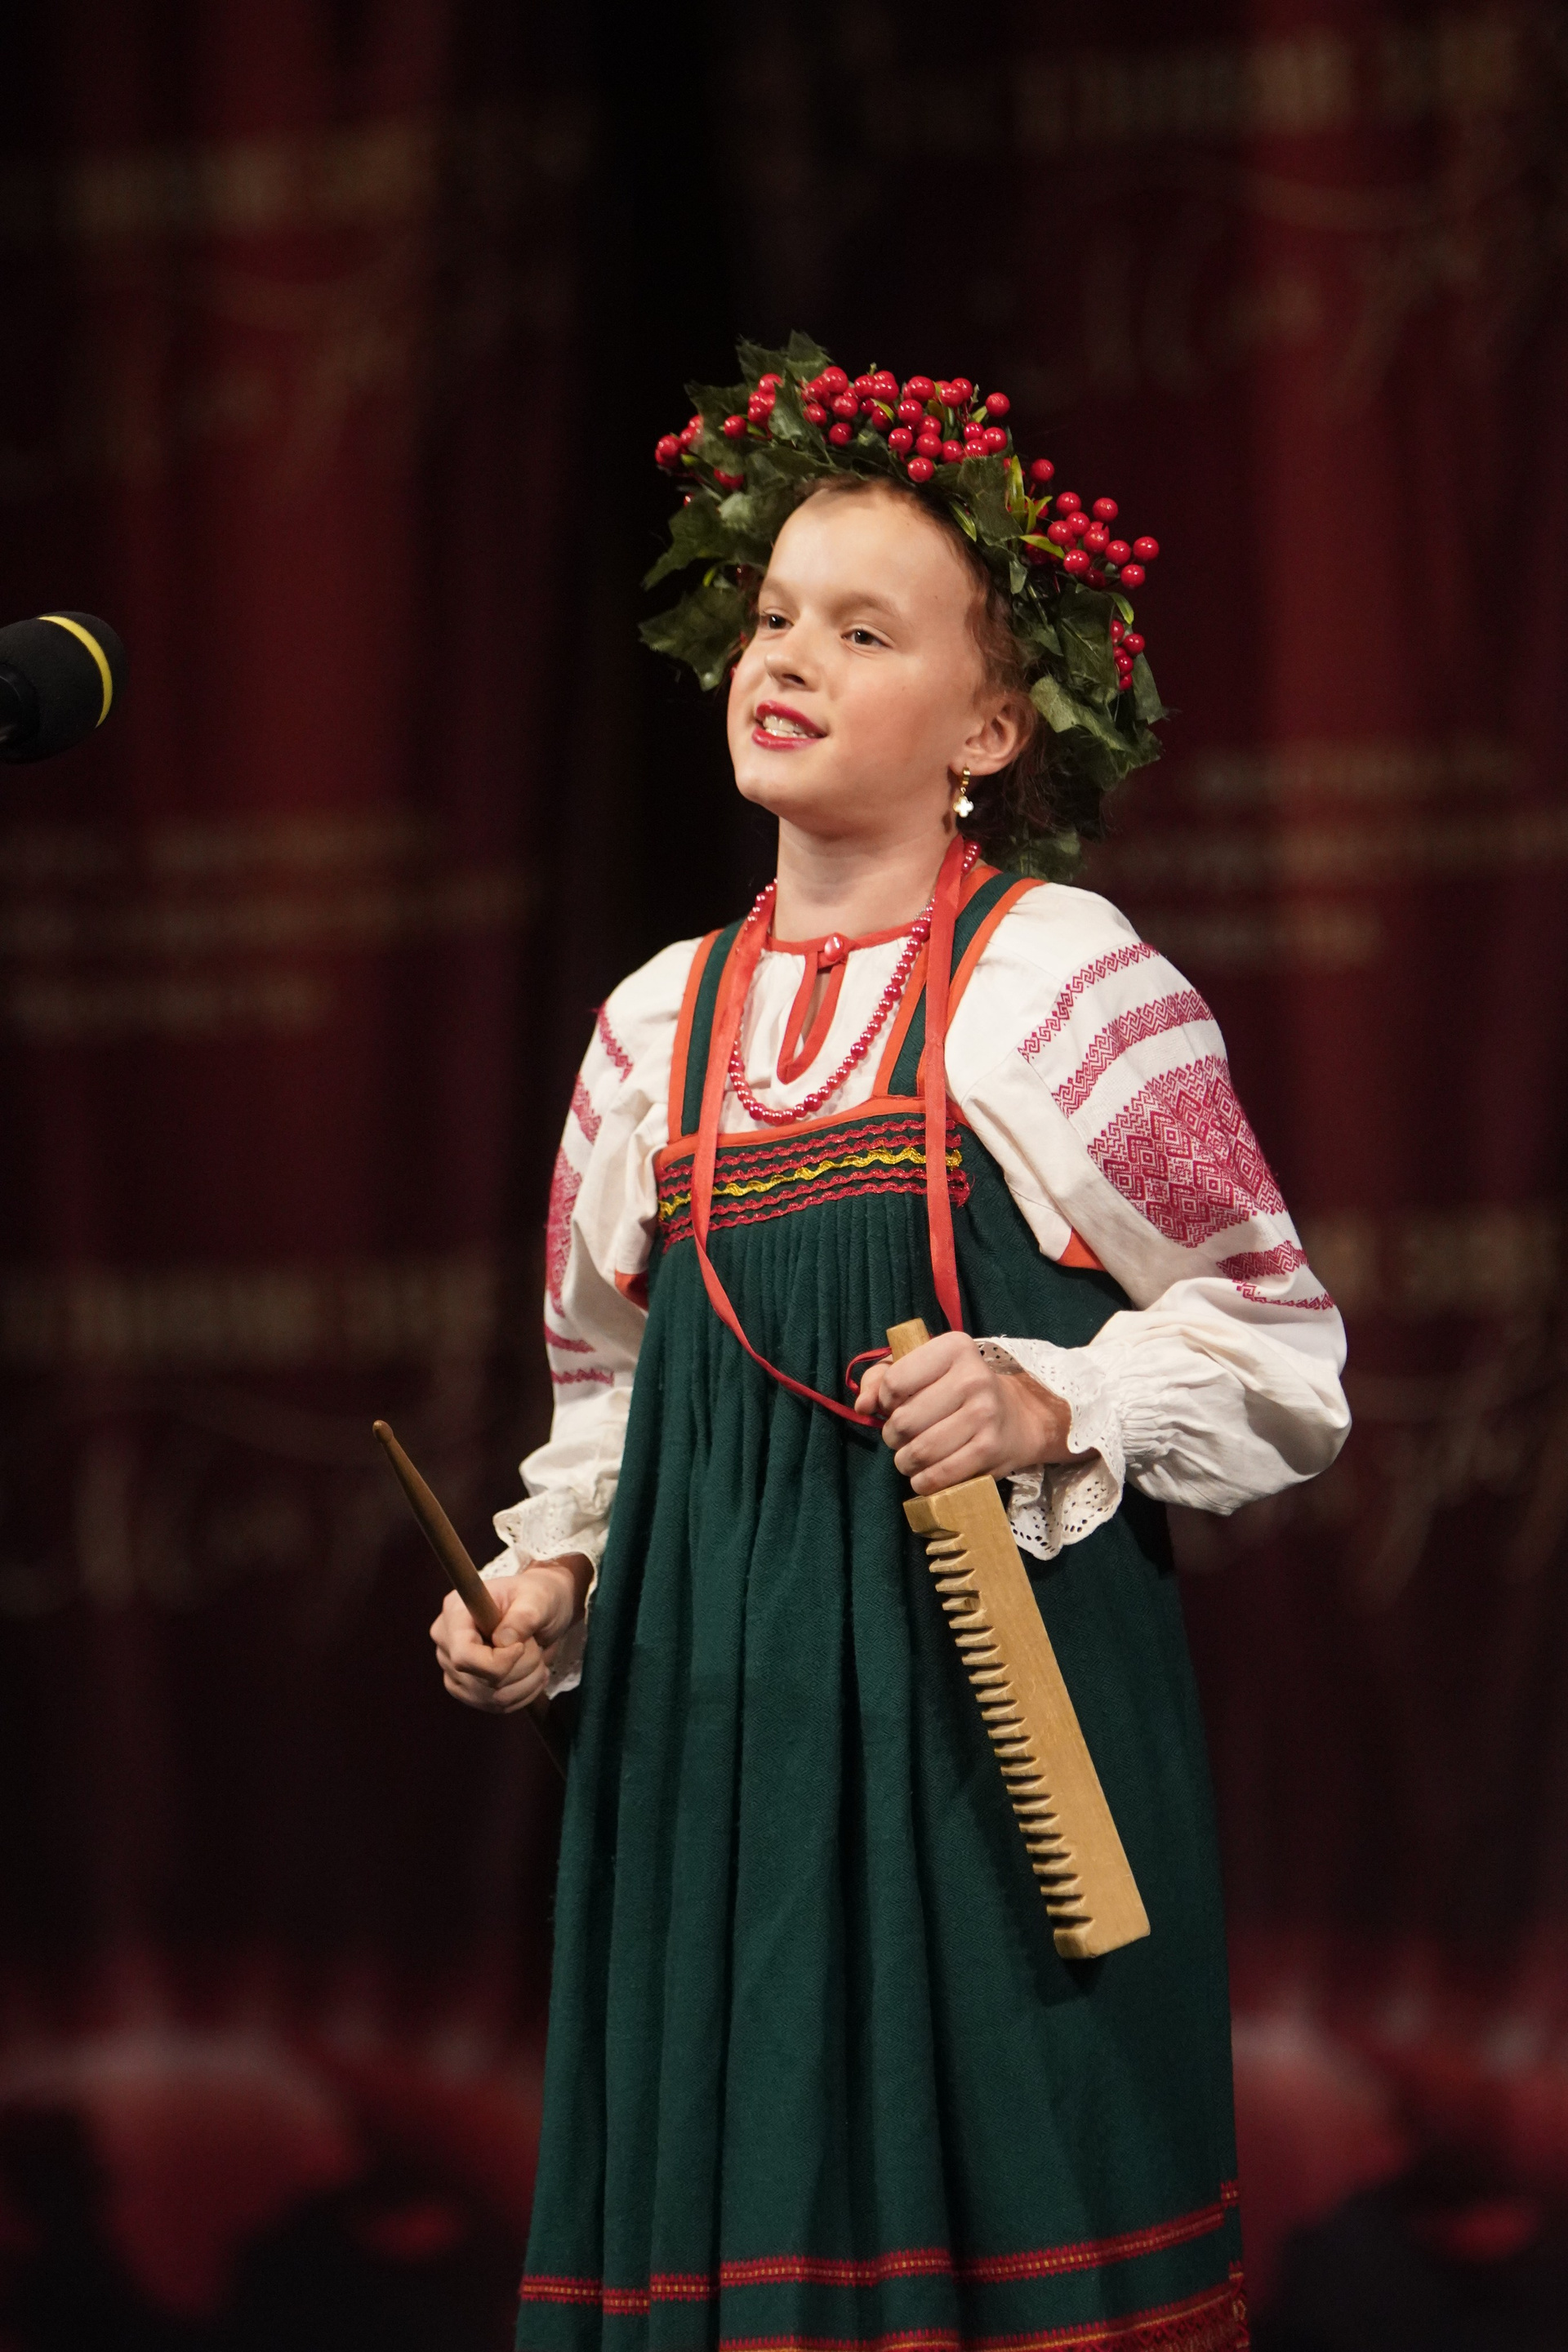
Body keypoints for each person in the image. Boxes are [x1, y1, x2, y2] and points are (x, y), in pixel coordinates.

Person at [432, 340, 1349, 2352]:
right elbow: (615, 1404)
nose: (793, 659)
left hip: (981, 1767)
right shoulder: (649, 1027)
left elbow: (1288, 1357)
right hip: (716, 1778)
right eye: (778, 616)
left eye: (866, 630)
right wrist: (554, 1581)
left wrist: (1051, 1393)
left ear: (992, 725)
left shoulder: (1063, 986)